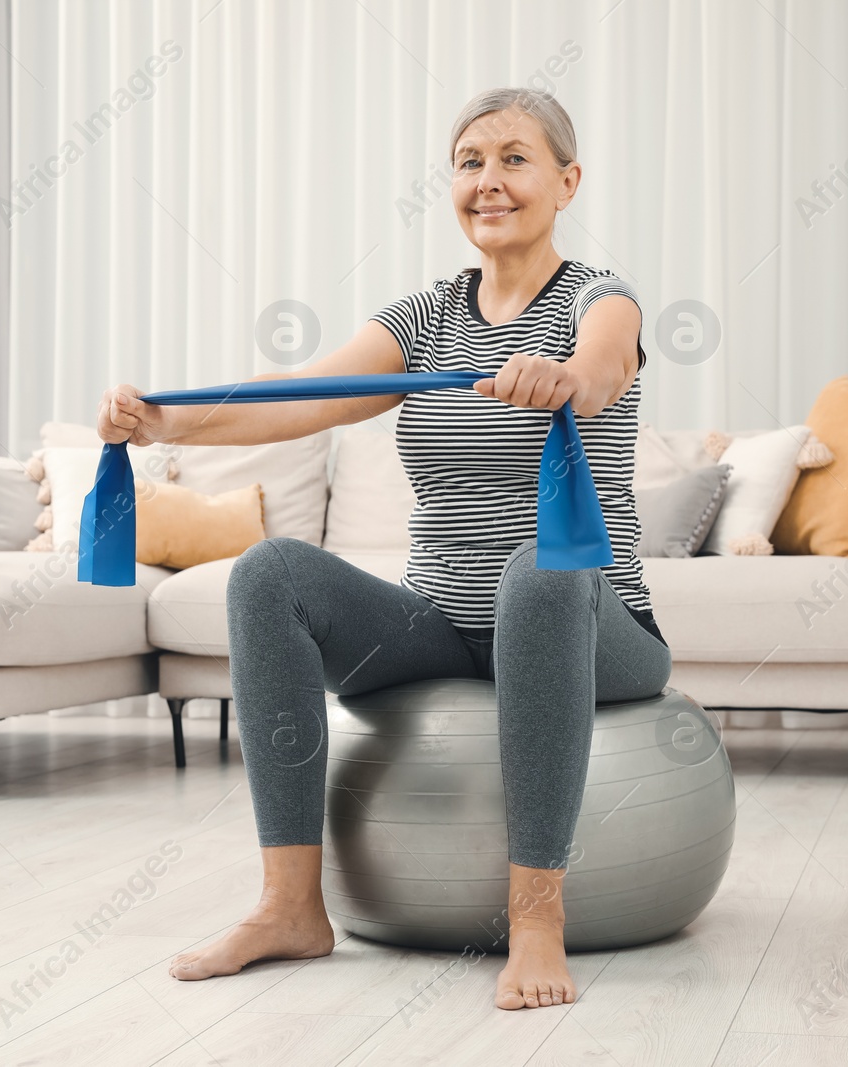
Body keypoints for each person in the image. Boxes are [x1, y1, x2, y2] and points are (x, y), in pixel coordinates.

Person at [98, 86, 671, 1012]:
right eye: (470, 161)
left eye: (515, 159)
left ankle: (534, 916)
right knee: (269, 573)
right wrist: (155, 421)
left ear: (567, 181)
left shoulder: (599, 300)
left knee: (540, 568)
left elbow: (604, 368)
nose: (489, 180)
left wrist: (564, 376)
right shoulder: (423, 319)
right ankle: (290, 907)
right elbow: (297, 397)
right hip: (443, 622)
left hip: (597, 627)